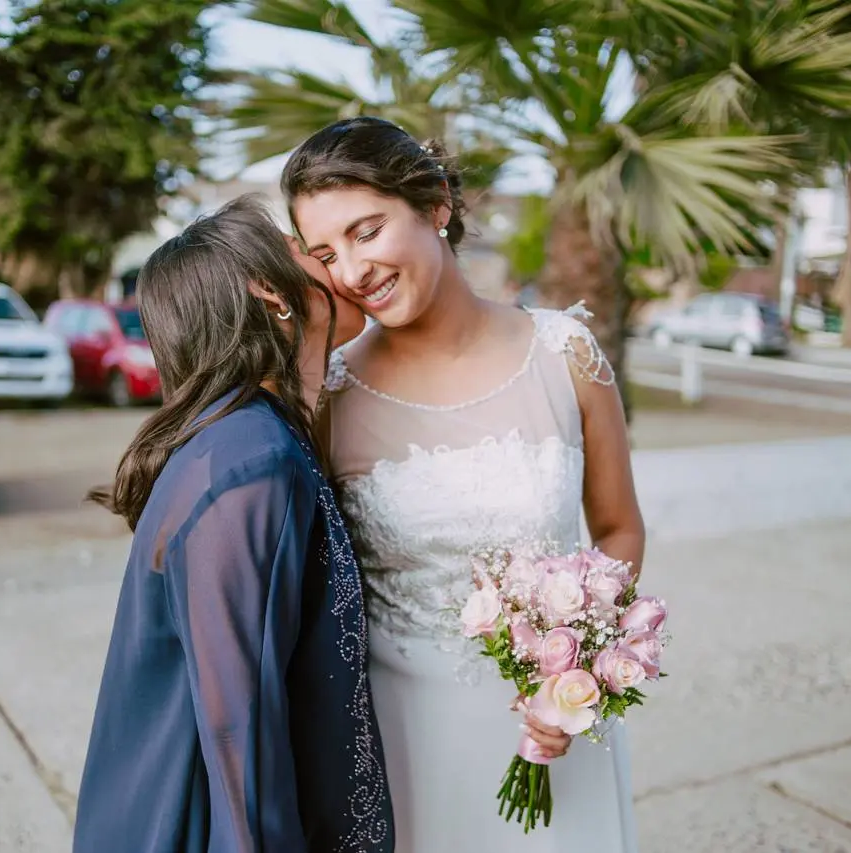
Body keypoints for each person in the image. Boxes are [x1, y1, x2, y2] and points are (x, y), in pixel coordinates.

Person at [282, 118, 647, 852]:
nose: (352, 269)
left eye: (367, 230)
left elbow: (617, 527)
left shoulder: (565, 353)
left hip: (552, 735)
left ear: (437, 204)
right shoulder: (332, 397)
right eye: (326, 253)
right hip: (401, 742)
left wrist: (582, 671)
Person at [73, 195, 395, 853]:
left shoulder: (259, 435)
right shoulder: (250, 463)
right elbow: (239, 738)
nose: (338, 266)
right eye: (309, 250)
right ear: (269, 290)